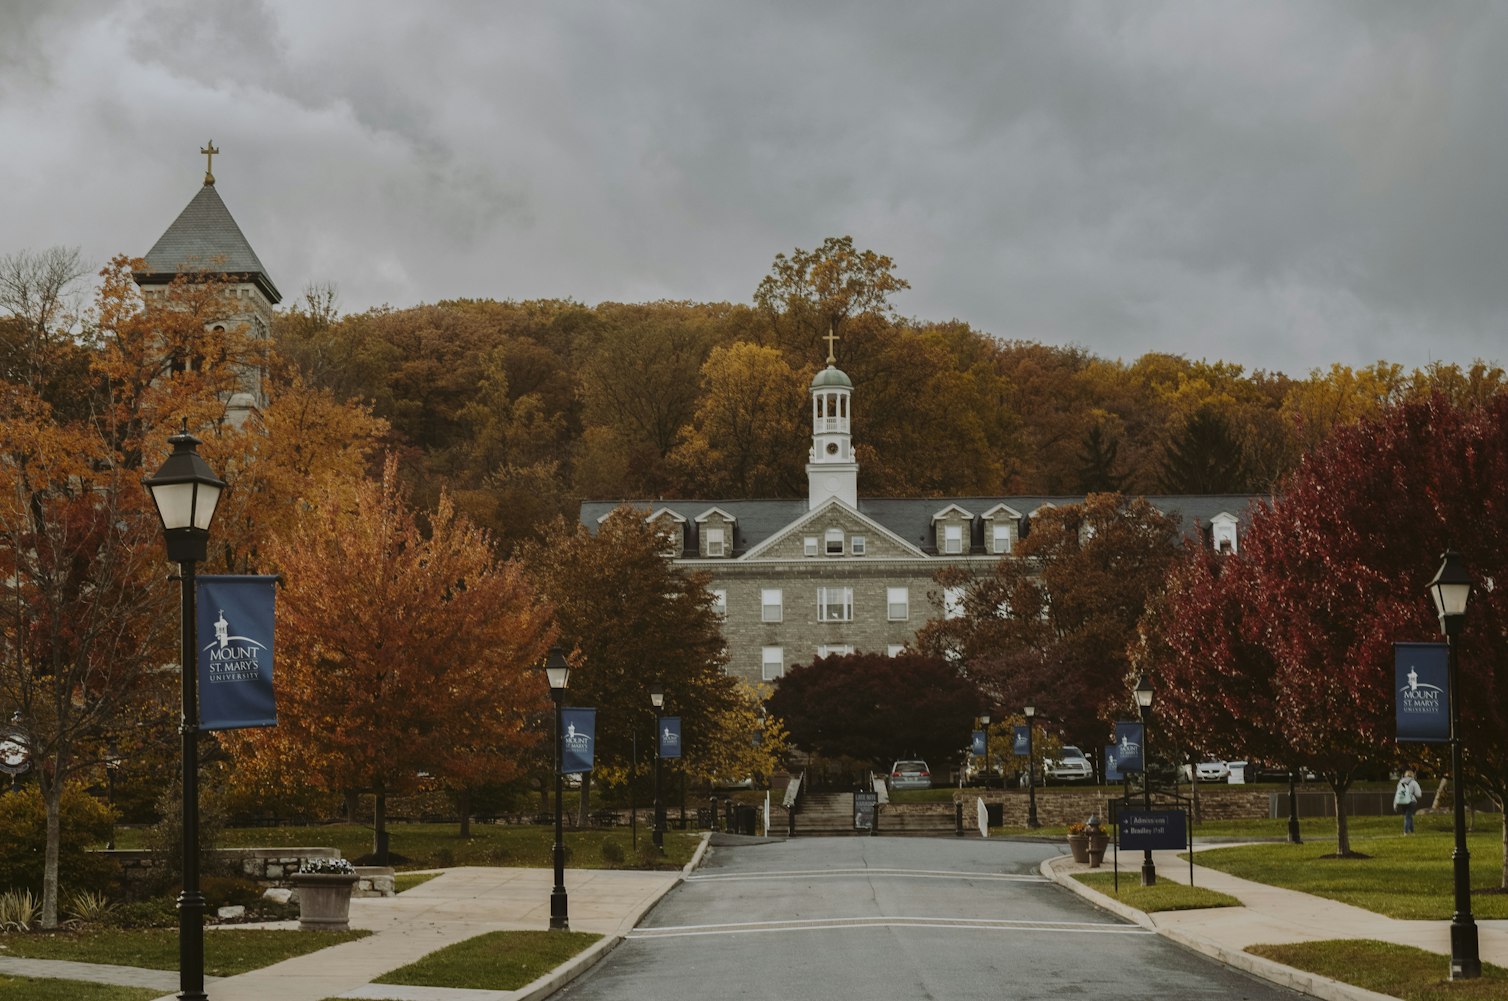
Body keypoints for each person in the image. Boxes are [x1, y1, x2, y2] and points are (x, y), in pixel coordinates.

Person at [1395, 769, 1423, 834]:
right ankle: (1406, 832)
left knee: (1409, 816)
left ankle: (1412, 831)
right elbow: (1418, 794)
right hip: (1411, 801)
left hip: (1402, 801)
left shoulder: (1400, 782)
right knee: (1408, 816)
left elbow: (1397, 793)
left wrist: (1395, 803)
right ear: (1412, 775)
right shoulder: (1414, 783)